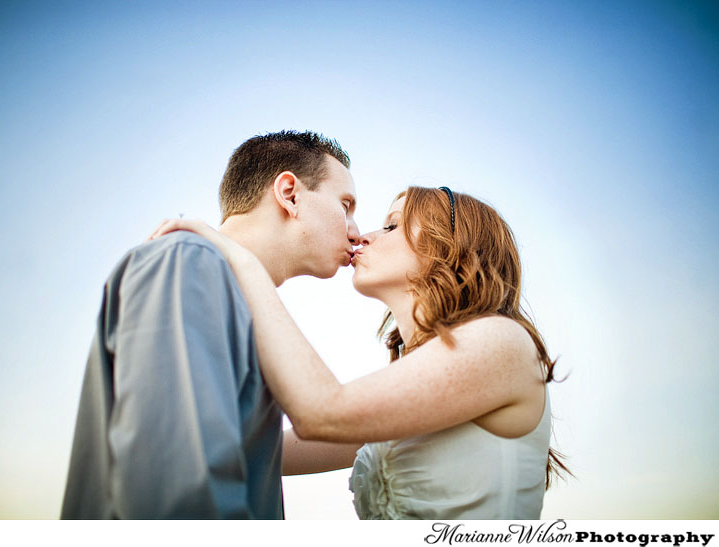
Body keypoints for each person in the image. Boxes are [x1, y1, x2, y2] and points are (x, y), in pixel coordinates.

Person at [150, 186, 570, 519]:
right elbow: (259, 452)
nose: (363, 235)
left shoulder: (502, 343)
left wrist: (243, 261)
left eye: (391, 226)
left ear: (451, 245)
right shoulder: (412, 388)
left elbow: (321, 413)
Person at [60, 130, 360, 519]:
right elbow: (177, 486)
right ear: (289, 194)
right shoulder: (188, 262)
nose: (355, 231)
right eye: (346, 204)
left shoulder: (235, 295)